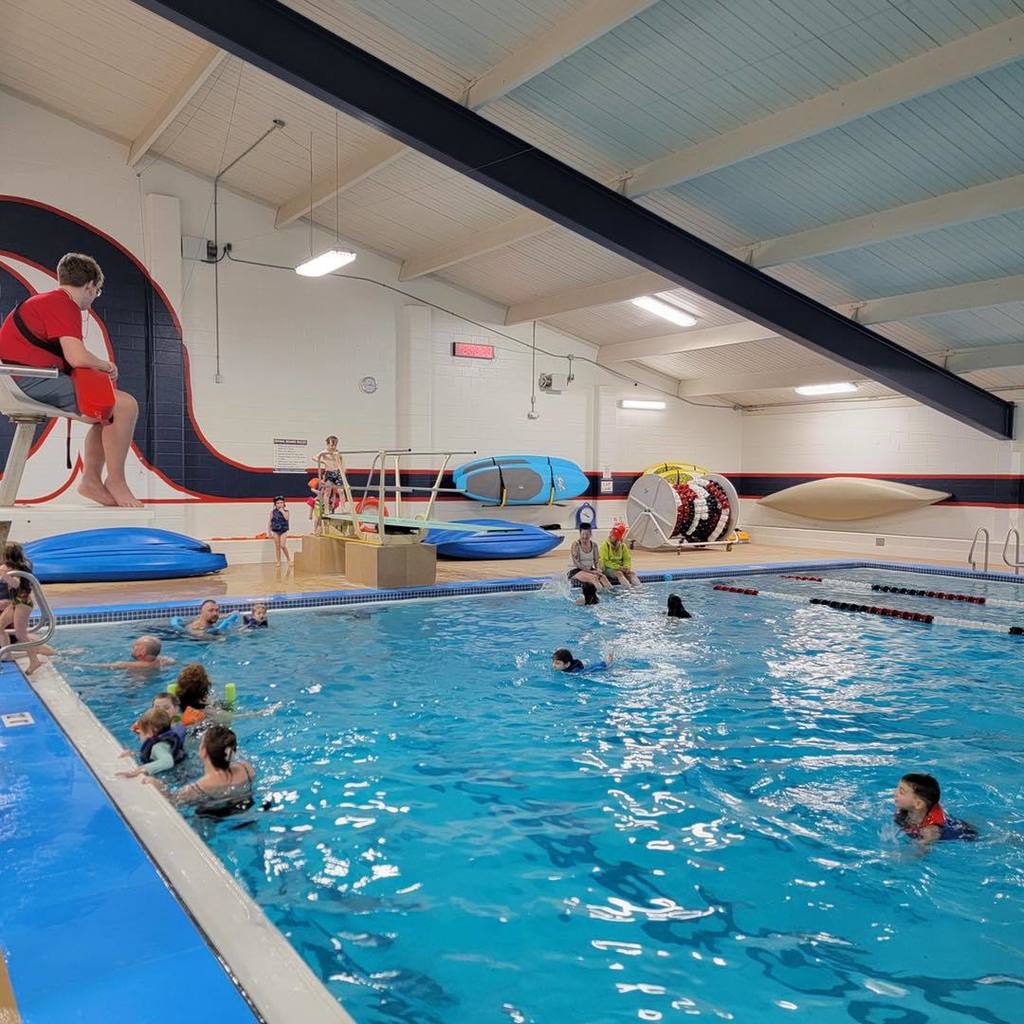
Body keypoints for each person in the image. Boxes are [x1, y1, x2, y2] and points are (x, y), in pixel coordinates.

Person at [0, 253, 141, 507]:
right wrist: (107, 366)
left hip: (19, 378)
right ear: (89, 286)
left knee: (104, 409)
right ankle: (116, 481)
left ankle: (91, 481)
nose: (93, 298)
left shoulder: (46, 302)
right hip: (24, 381)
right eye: (96, 292)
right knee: (125, 405)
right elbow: (77, 357)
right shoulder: (63, 304)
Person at [144, 725, 255, 816]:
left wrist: (158, 784)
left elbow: (172, 802)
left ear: (203, 752)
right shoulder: (246, 768)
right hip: (246, 811)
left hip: (213, 818)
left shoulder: (197, 788)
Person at [894, 772, 976, 843]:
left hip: (963, 836)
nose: (895, 792)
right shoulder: (907, 809)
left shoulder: (930, 830)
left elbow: (920, 853)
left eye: (901, 792)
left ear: (918, 804)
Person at [0, 542, 44, 673]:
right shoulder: (9, 567)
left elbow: (15, 584)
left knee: (20, 634)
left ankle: (34, 661)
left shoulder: (19, 569)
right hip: (15, 603)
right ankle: (7, 654)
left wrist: (5, 575)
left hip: (23, 603)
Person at [118, 708, 185, 778]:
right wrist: (134, 754)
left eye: (140, 732)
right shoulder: (162, 744)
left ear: (149, 733)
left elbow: (168, 762)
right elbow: (155, 755)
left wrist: (141, 769)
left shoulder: (158, 747)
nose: (139, 735)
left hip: (177, 776)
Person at [567, 524, 610, 591]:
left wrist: (598, 569)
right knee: (594, 578)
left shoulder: (594, 545)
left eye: (587, 534)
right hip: (575, 570)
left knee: (603, 577)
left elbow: (596, 561)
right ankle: (600, 599)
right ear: (580, 533)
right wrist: (592, 572)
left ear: (590, 534)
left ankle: (612, 595)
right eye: (583, 534)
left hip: (589, 569)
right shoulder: (576, 545)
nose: (585, 536)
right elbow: (577, 563)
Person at [600, 523, 641, 587]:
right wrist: (619, 568)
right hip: (608, 568)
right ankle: (627, 590)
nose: (612, 537)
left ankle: (639, 590)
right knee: (619, 573)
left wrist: (627, 567)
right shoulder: (605, 545)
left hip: (620, 568)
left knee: (631, 574)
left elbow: (627, 559)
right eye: (612, 535)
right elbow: (605, 562)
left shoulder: (622, 546)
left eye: (614, 537)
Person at [107, 634, 175, 670]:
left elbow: (104, 666)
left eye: (136, 645)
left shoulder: (126, 665)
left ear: (143, 651)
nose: (133, 646)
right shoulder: (164, 661)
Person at [316, 435, 346, 514]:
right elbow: (314, 457)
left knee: (341, 491)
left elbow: (341, 460)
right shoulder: (324, 452)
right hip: (329, 473)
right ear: (327, 444)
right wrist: (323, 461)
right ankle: (326, 509)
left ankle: (343, 508)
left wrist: (343, 470)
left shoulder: (337, 452)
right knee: (328, 491)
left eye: (335, 445)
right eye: (332, 445)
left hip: (337, 472)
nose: (333, 447)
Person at [268, 497, 290, 566]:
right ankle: (278, 561)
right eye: (278, 503)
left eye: (281, 503)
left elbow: (286, 518)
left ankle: (288, 559)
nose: (280, 504)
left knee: (282, 545)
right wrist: (269, 532)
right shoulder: (272, 512)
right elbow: (270, 522)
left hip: (283, 530)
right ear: (275, 504)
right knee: (277, 547)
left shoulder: (286, 511)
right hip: (275, 531)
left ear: (284, 504)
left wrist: (282, 511)